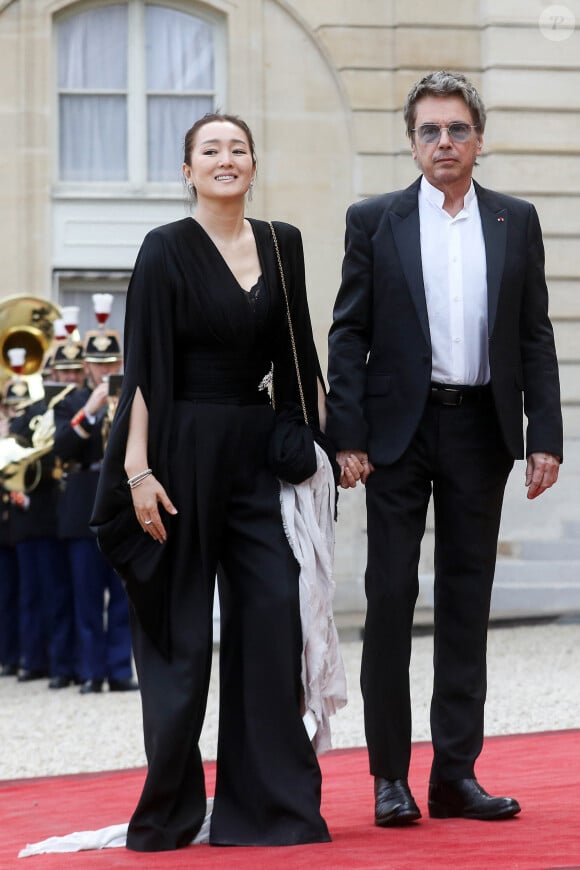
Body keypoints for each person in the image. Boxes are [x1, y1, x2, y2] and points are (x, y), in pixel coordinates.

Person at [90, 112, 333, 851]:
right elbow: (145, 372)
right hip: (179, 453)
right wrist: (137, 472)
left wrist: (334, 446)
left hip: (256, 452)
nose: (227, 159)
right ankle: (170, 812)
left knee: (270, 621)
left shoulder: (283, 243)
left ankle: (270, 811)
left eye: (238, 149)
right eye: (211, 150)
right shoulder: (164, 249)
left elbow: (300, 359)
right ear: (187, 170)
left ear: (254, 166)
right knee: (183, 638)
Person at [326, 71, 562, 826]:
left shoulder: (514, 222)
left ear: (479, 138)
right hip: (397, 436)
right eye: (430, 130)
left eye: (457, 129)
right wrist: (348, 436)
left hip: (480, 432)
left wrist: (544, 437)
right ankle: (389, 779)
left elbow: (534, 334)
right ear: (412, 141)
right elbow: (348, 333)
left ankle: (455, 774)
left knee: (466, 604)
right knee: (392, 599)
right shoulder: (375, 220)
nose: (444, 143)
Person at [53, 332, 137, 694]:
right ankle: (90, 670)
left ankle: (119, 669)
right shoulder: (69, 402)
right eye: (97, 363)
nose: (104, 369)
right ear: (87, 365)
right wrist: (91, 410)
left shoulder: (133, 395)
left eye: (110, 362)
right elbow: (62, 448)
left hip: (120, 502)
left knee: (121, 597)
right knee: (86, 596)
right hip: (84, 502)